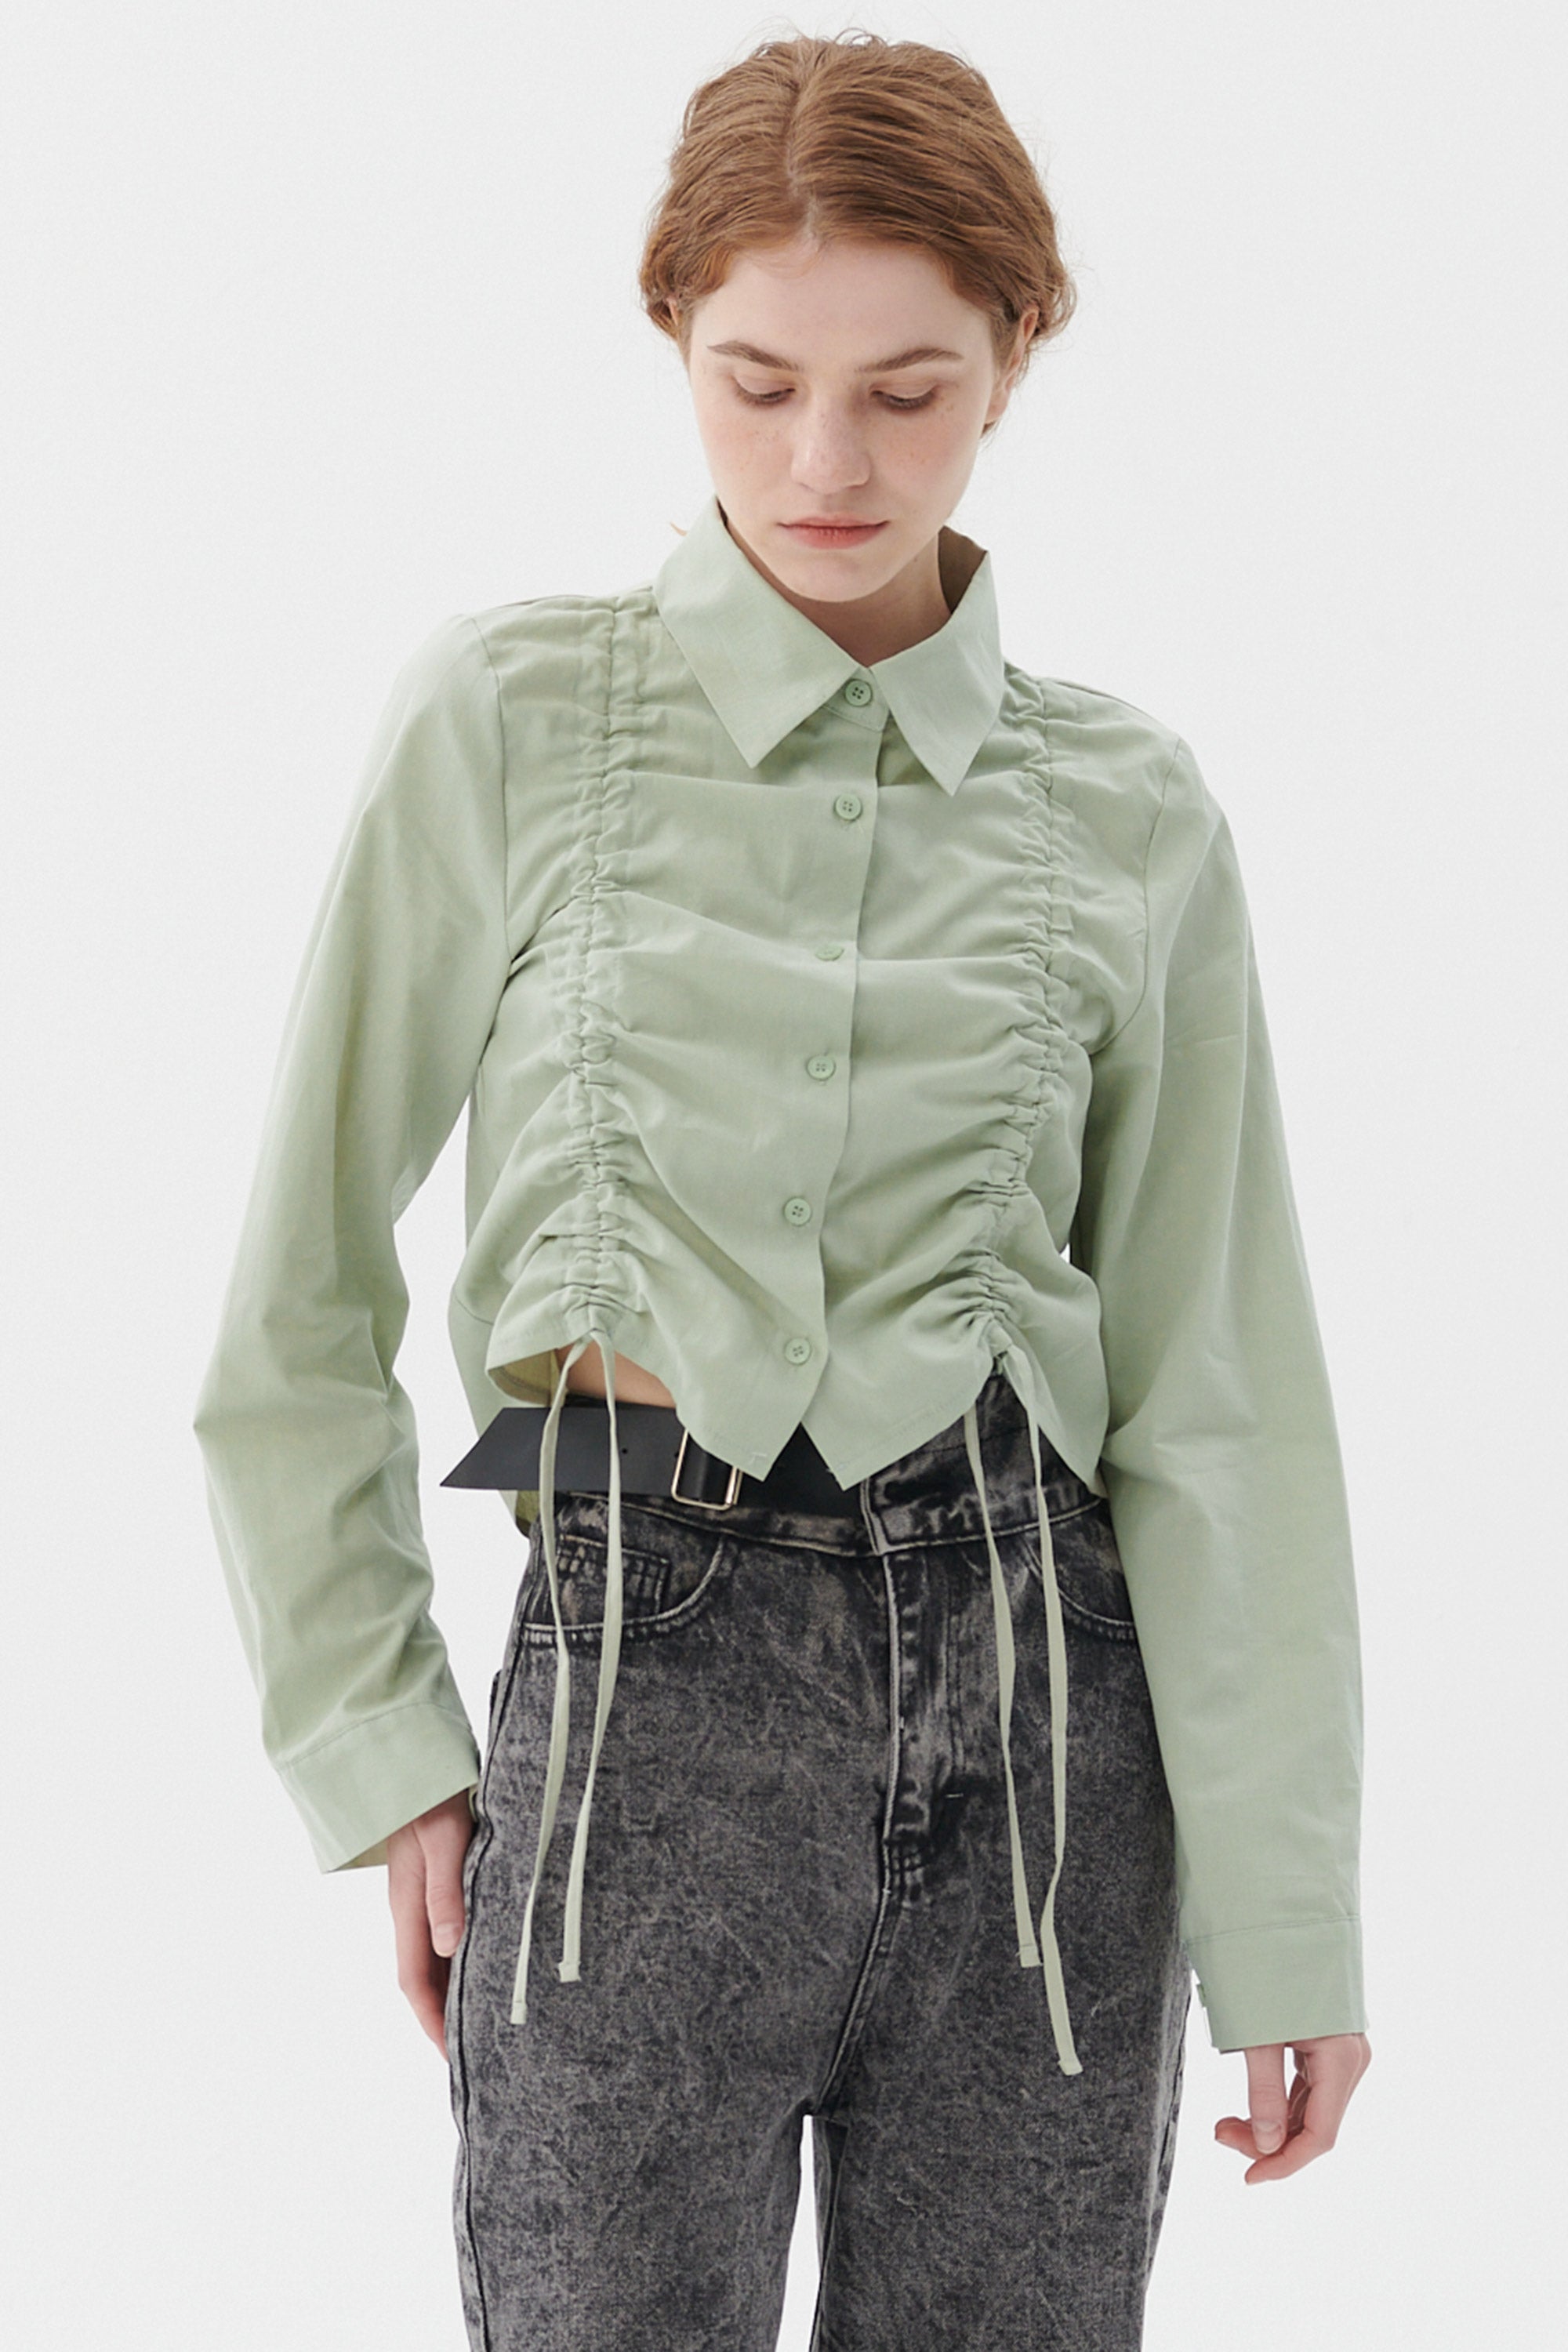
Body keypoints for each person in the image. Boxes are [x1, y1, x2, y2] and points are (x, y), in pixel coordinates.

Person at [191, 28, 1370, 2350]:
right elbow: (294, 1299)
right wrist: (384, 1746)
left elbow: (1221, 1393)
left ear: (1015, 357)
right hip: (644, 1705)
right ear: (673, 340)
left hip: (1052, 1746)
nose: (829, 461)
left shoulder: (1131, 809)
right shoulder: (506, 720)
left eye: (909, 393)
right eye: (759, 384)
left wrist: (1291, 1915)